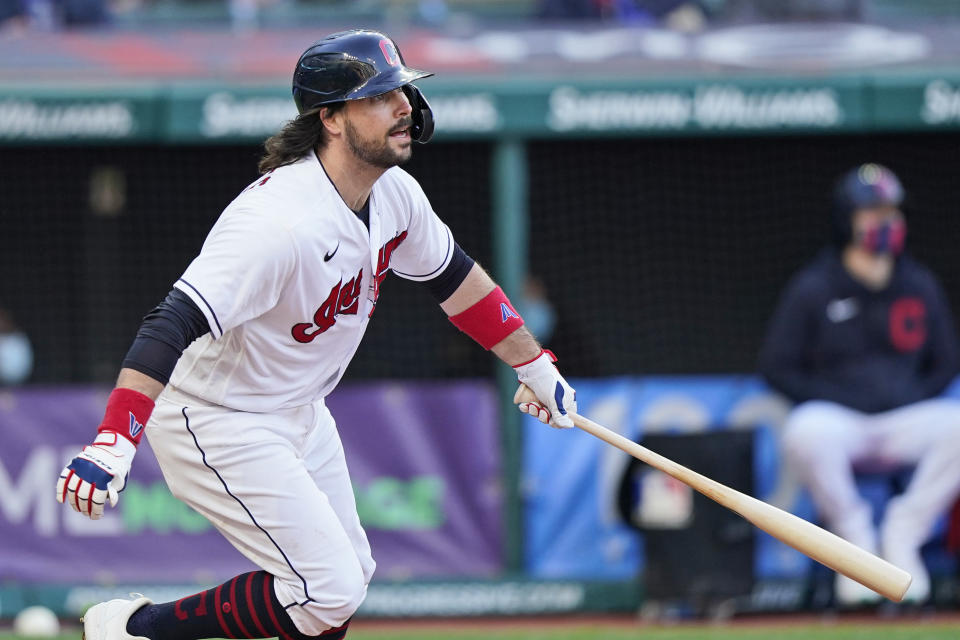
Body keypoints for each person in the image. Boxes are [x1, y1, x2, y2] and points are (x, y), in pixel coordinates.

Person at [56, 29, 577, 640]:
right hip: (218, 416)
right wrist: (115, 439)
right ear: (330, 117)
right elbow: (170, 322)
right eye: (382, 95)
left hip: (298, 408)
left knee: (346, 578)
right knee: (326, 588)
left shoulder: (395, 195)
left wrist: (533, 365)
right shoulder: (277, 222)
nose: (404, 104)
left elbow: (457, 282)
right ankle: (137, 629)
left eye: (403, 89)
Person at [759, 163, 960, 606]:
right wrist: (843, 398)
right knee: (805, 429)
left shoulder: (919, 283)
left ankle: (904, 532)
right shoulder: (815, 285)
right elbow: (776, 366)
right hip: (842, 422)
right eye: (872, 212)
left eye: (891, 211)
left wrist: (907, 396)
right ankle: (854, 542)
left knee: (958, 425)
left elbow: (947, 362)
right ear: (847, 218)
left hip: (904, 419)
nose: (885, 222)